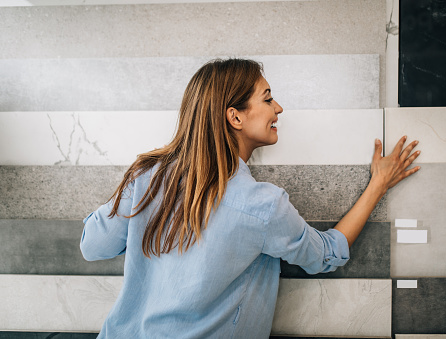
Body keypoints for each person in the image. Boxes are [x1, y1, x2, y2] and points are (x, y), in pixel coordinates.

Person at [80, 58, 420, 339]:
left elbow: (93, 246)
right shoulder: (262, 205)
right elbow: (327, 255)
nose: (279, 108)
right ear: (235, 116)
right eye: (268, 98)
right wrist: (379, 183)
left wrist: (137, 187)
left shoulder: (146, 177)